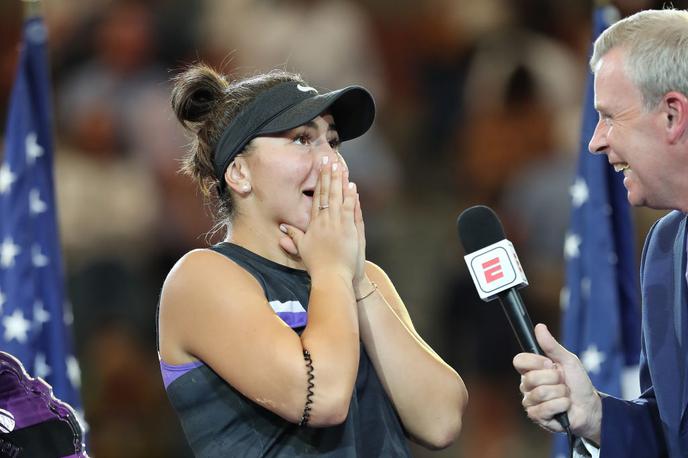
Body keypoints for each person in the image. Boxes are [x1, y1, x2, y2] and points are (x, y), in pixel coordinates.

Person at [155, 64, 468, 457]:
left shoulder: (361, 277)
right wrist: (334, 272)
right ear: (239, 173)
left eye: (333, 142)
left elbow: (441, 421)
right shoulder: (201, 278)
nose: (332, 163)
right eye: (302, 139)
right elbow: (323, 397)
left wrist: (355, 279)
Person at [512, 8, 688, 458]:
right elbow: (669, 438)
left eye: (610, 117)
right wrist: (595, 415)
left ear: (672, 115)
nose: (595, 141)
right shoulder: (666, 248)